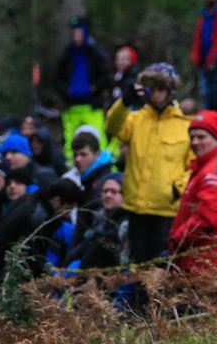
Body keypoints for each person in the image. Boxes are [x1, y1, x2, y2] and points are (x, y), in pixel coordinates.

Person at [106, 62, 192, 264]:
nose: (156, 93)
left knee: (160, 266)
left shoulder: (185, 126)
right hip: (136, 208)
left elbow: (192, 166)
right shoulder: (136, 119)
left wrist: (177, 189)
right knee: (138, 265)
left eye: (161, 88)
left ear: (170, 91)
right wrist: (124, 102)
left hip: (166, 210)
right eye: (152, 88)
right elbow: (112, 126)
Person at [169, 111, 217, 276]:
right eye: (192, 137)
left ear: (216, 138)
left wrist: (178, 239)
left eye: (201, 137)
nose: (195, 142)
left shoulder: (212, 170)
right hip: (195, 257)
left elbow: (208, 217)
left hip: (204, 260)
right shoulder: (202, 168)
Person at [52, 15, 111, 161]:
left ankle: (102, 164)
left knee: (98, 137)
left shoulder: (95, 53)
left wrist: (95, 87)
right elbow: (57, 77)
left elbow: (106, 75)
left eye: (79, 32)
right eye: (74, 33)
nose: (76, 36)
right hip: (71, 106)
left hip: (92, 105)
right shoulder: (66, 54)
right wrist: (65, 90)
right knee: (70, 139)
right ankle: (72, 165)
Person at [67, 125, 117, 205]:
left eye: (83, 154)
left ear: (97, 154)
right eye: (75, 155)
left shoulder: (105, 180)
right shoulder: (89, 177)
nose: (78, 159)